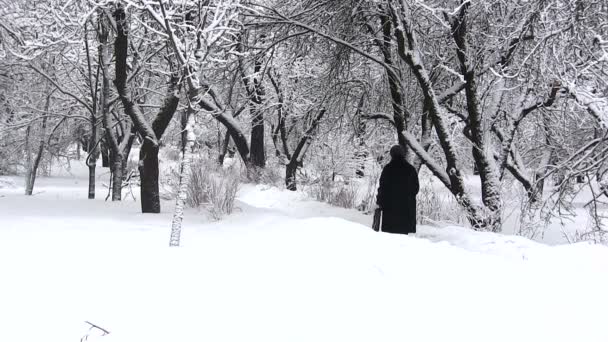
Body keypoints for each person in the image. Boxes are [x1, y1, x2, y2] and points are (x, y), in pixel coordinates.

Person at [376, 145, 419, 234]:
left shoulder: (388, 169)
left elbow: (382, 188)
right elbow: (415, 188)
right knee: (402, 238)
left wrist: (379, 202)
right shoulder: (410, 169)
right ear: (403, 154)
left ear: (391, 154)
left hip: (390, 209)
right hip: (406, 209)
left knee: (389, 237)